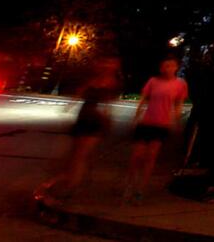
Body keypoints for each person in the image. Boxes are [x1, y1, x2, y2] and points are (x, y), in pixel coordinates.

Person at [39, 56, 121, 201]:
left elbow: (108, 106)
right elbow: (79, 94)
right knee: (75, 155)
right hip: (83, 117)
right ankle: (71, 183)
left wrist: (106, 121)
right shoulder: (93, 79)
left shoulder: (112, 83)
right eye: (106, 63)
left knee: (79, 156)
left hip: (95, 121)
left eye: (111, 64)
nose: (107, 66)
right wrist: (68, 107)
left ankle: (68, 185)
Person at [123, 56, 188, 205]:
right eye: (165, 66)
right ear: (161, 68)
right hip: (147, 122)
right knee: (136, 155)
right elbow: (143, 99)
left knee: (151, 157)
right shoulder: (153, 81)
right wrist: (136, 116)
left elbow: (178, 104)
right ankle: (130, 184)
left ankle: (140, 189)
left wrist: (176, 121)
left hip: (161, 124)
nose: (168, 68)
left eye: (171, 65)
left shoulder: (180, 84)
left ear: (176, 67)